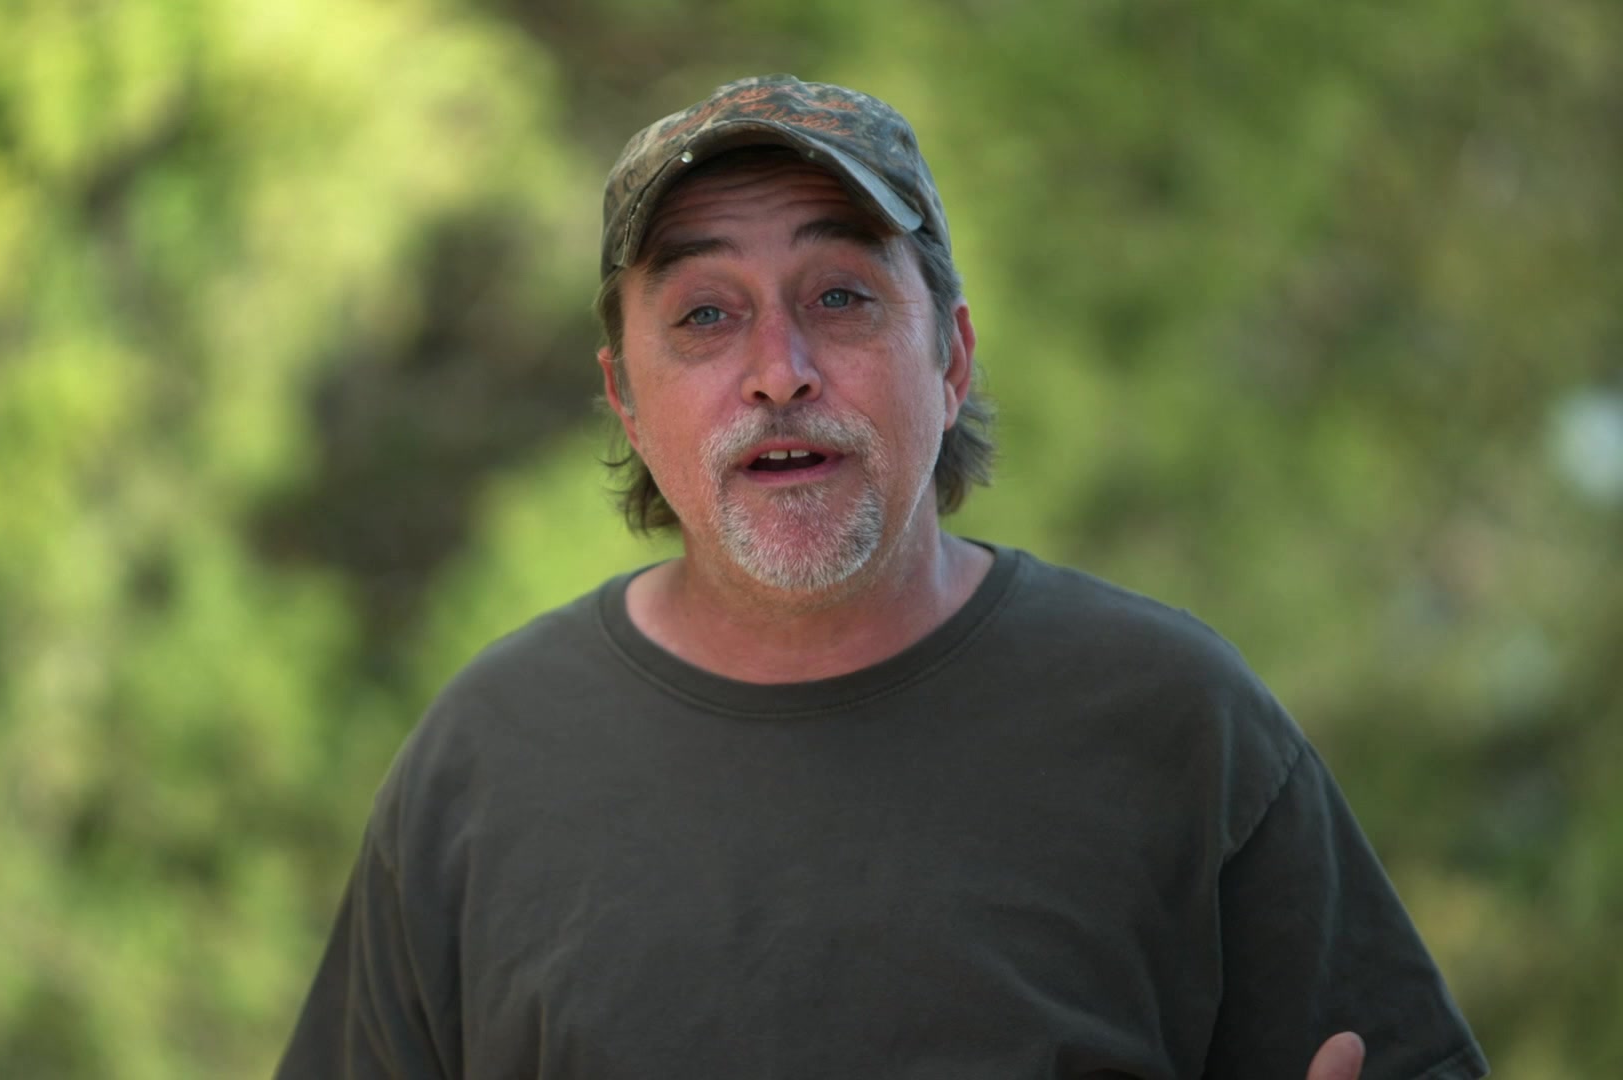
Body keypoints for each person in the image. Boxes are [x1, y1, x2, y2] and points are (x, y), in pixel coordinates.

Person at [277, 75, 1488, 1080]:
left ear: (951, 358)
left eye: (841, 297)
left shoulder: (1179, 725)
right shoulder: (484, 766)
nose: (778, 370)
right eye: (705, 316)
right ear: (626, 398)